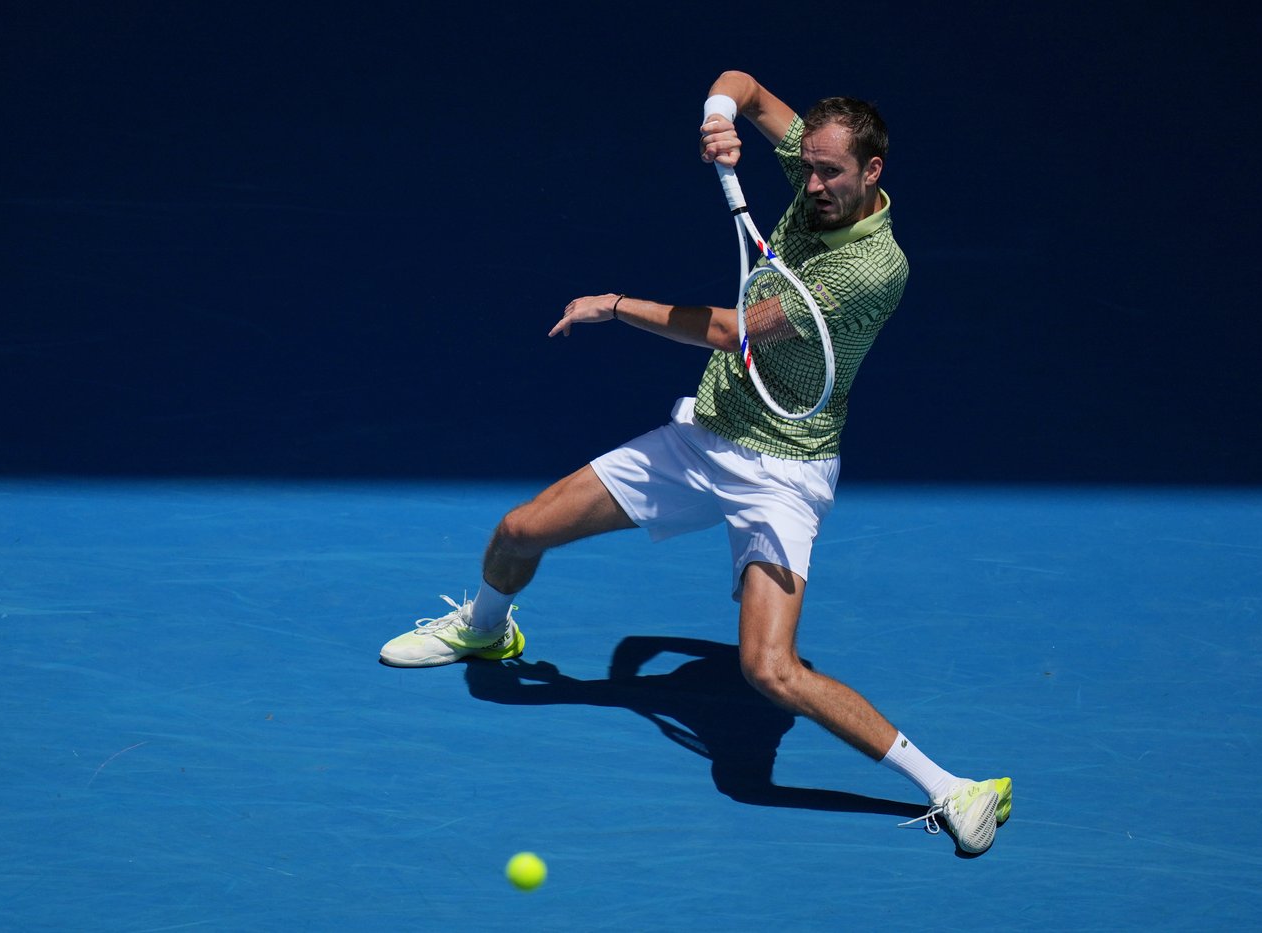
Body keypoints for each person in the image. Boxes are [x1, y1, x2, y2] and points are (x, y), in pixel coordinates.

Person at [379, 71, 1012, 855]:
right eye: (805, 165)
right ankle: (485, 627)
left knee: (770, 671)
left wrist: (613, 305)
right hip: (707, 433)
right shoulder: (817, 170)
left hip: (784, 470)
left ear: (872, 172)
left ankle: (953, 787)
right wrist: (719, 118)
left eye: (828, 172)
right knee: (517, 531)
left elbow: (730, 332)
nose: (810, 182)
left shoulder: (873, 269)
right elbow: (742, 86)